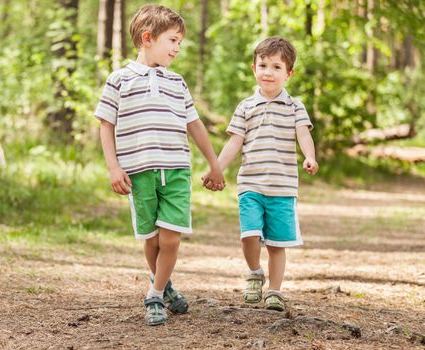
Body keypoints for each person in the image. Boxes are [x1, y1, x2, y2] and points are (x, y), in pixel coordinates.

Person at [94, 4, 224, 326]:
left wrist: (214, 164)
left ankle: (153, 294)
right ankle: (164, 285)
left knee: (171, 238)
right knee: (151, 240)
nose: (178, 48)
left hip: (176, 169)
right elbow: (105, 124)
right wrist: (113, 167)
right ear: (148, 38)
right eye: (173, 40)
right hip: (139, 172)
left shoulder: (177, 83)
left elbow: (194, 125)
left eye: (180, 42)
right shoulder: (119, 80)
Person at [204, 36, 318, 311]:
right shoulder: (245, 106)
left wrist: (310, 157)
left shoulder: (295, 106)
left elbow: (303, 133)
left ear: (288, 73)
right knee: (249, 235)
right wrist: (216, 168)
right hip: (251, 184)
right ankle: (255, 271)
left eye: (277, 67)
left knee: (278, 244)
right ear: (254, 69)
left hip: (282, 187)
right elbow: (234, 142)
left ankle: (275, 291)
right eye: (263, 65)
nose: (268, 72)